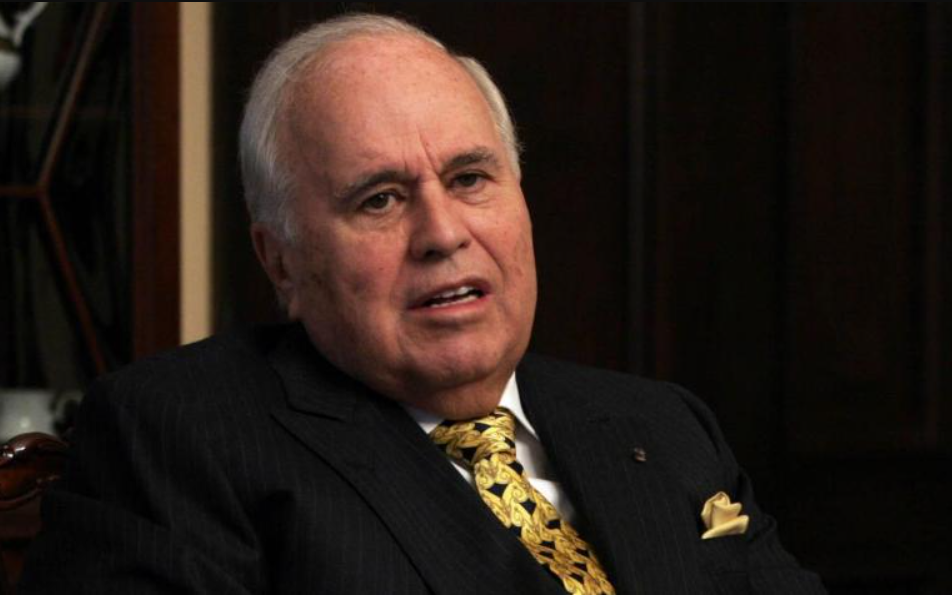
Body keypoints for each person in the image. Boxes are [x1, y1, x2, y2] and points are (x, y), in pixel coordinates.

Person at [19, 13, 826, 595]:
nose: (442, 233)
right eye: (379, 198)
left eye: (470, 178)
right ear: (281, 261)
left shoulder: (661, 424)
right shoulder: (177, 434)